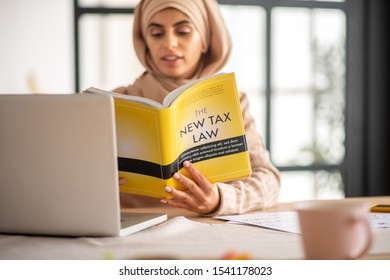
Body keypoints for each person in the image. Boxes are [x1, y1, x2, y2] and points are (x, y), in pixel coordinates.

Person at [114, 0, 280, 216]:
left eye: (183, 31)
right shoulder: (117, 101)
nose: (169, 43)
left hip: (207, 230)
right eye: (156, 34)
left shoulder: (232, 101)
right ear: (145, 42)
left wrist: (220, 199)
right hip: (131, 234)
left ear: (205, 40)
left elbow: (268, 180)